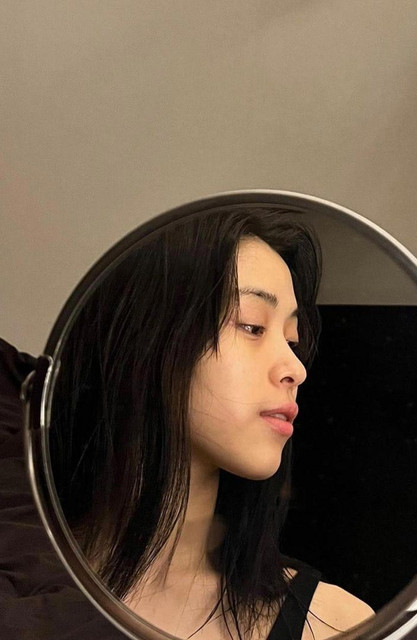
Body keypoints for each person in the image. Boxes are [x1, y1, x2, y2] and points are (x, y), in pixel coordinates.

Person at [50, 207, 374, 640]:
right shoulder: (23, 580)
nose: (296, 368)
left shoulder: (333, 624)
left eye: (292, 339)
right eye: (253, 326)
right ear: (147, 341)